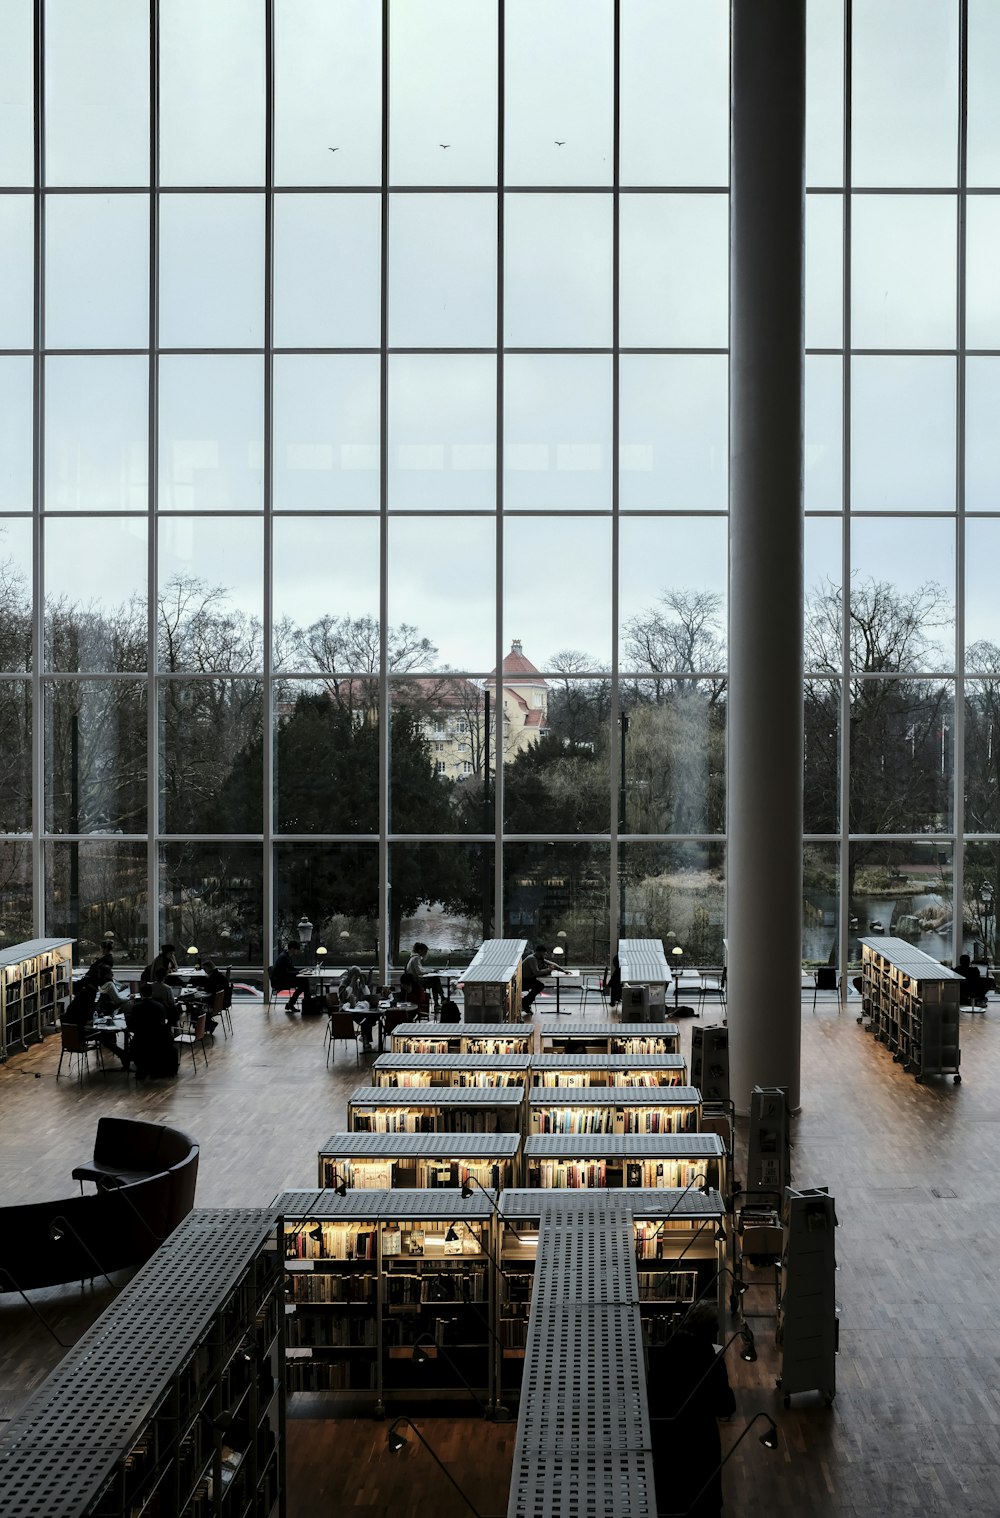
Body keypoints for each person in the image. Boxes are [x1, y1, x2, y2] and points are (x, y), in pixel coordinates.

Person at [645, 1305, 736, 1517]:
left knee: (670, 1500)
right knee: (702, 1503)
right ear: (709, 1331)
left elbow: (653, 1397)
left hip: (667, 1440)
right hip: (700, 1442)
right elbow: (725, 1406)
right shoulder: (712, 1362)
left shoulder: (662, 1354)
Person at [125, 993, 179, 1081]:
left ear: (141, 995)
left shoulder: (136, 1007)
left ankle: (141, 1068)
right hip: (159, 1039)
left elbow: (132, 1024)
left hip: (141, 1040)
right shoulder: (160, 1006)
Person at [338, 965, 378, 1048]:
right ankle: (365, 1040)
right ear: (350, 975)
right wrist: (352, 984)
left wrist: (363, 984)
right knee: (365, 1020)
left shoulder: (358, 983)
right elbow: (344, 997)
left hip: (358, 1008)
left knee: (369, 1017)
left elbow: (367, 995)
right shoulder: (344, 982)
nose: (357, 977)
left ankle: (365, 1038)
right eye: (356, 975)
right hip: (346, 1009)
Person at [404, 942, 442, 1013]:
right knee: (435, 981)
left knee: (435, 981)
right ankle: (440, 1000)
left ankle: (438, 1002)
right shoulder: (416, 958)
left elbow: (421, 969)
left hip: (414, 981)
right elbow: (419, 971)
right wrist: (432, 971)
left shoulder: (413, 958)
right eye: (425, 951)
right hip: (416, 982)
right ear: (420, 951)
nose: (425, 953)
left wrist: (431, 970)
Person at [520, 944, 556, 1016]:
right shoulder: (532, 959)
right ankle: (525, 1003)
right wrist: (548, 969)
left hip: (528, 979)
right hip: (523, 981)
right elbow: (536, 972)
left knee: (539, 986)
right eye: (544, 953)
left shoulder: (537, 958)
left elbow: (553, 964)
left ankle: (525, 1003)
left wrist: (563, 971)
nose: (545, 955)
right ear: (541, 953)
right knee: (539, 986)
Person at [270, 944, 306, 1011]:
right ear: (292, 949)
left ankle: (291, 1003)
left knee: (303, 982)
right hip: (280, 982)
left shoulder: (286, 956)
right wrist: (299, 972)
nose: (297, 951)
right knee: (304, 982)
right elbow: (285, 973)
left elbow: (291, 969)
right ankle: (294, 1003)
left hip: (281, 979)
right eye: (296, 949)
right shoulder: (284, 957)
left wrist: (301, 970)